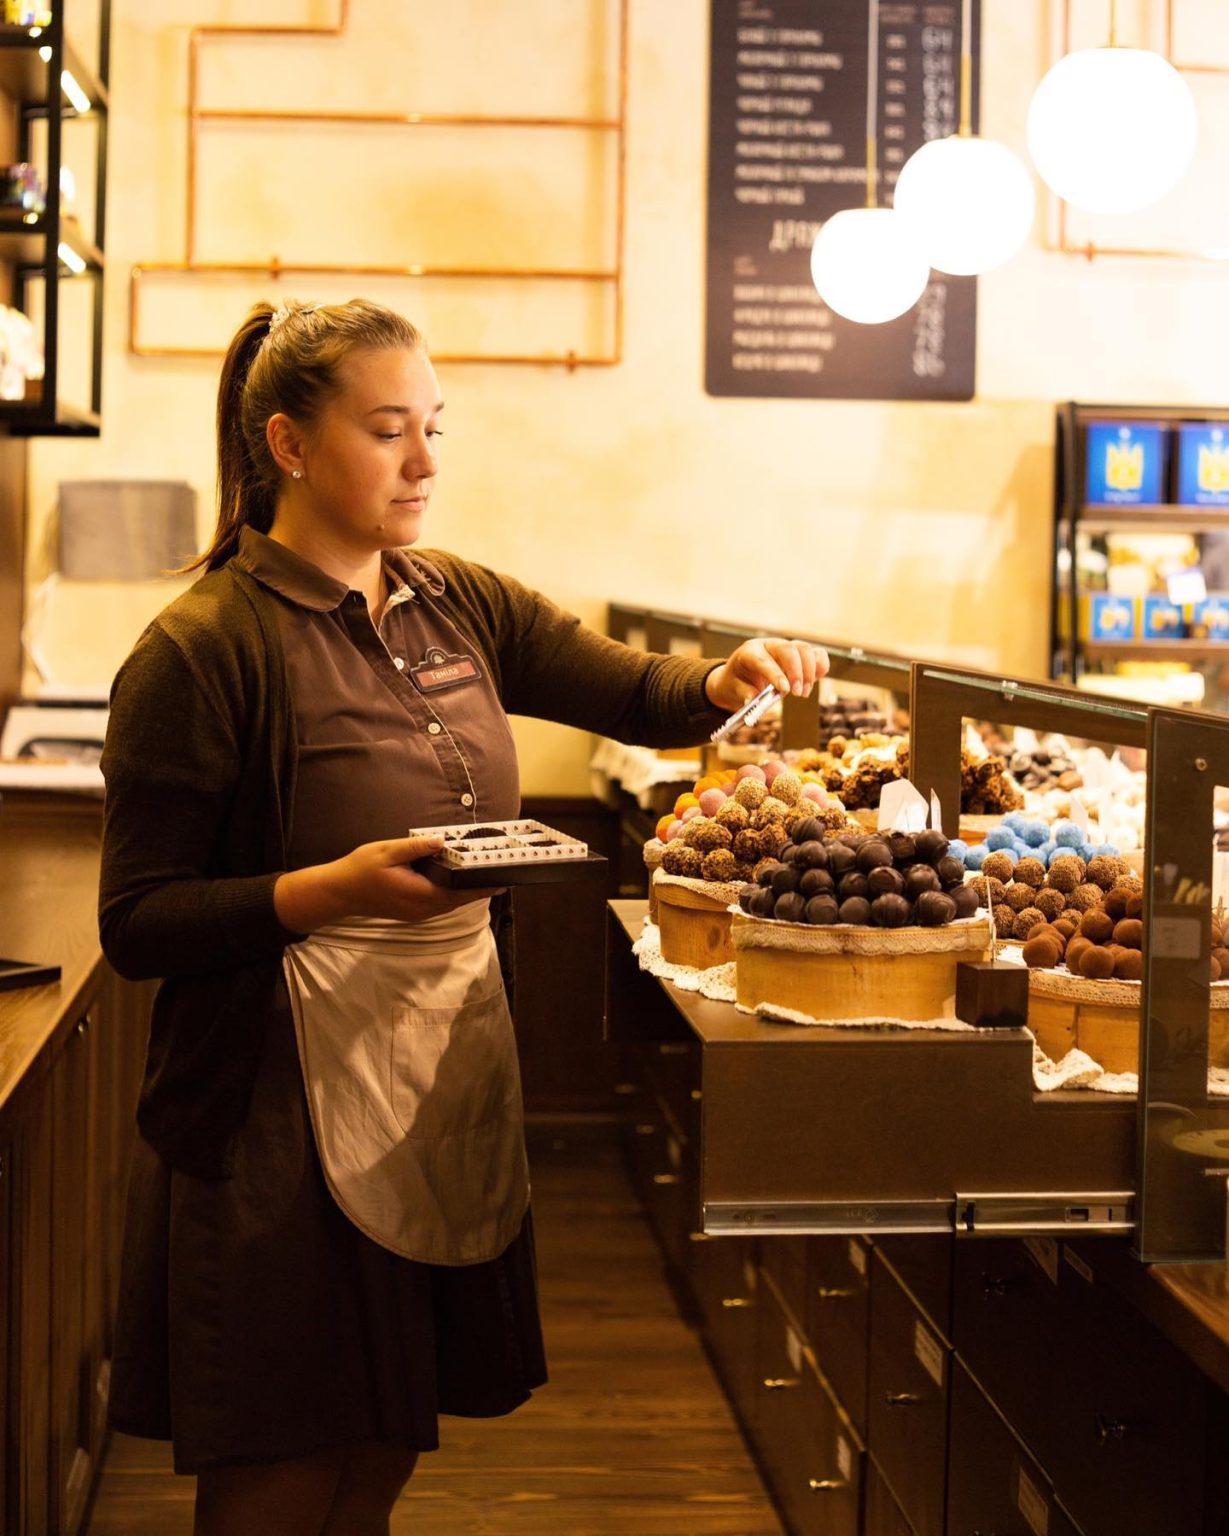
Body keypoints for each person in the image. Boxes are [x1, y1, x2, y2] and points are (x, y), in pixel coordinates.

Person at [98, 296, 828, 1536]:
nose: (426, 462)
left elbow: (637, 690)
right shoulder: (203, 649)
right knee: (279, 1462)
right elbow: (140, 921)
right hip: (271, 1114)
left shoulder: (456, 601)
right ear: (286, 443)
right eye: (390, 431)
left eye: (432, 427)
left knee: (381, 1444)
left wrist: (722, 680)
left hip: (438, 1076)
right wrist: (327, 890)